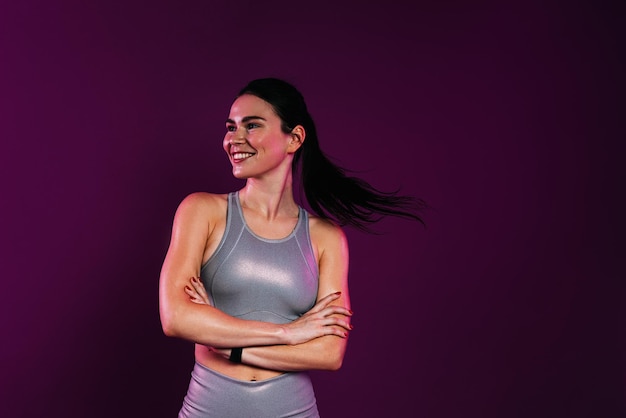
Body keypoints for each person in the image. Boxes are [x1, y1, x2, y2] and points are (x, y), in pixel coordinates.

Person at [159, 77, 426, 417]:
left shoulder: (326, 237)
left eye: (251, 125)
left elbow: (329, 353)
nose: (233, 139)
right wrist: (289, 333)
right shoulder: (202, 211)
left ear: (294, 138)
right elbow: (176, 317)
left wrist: (229, 346)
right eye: (231, 127)